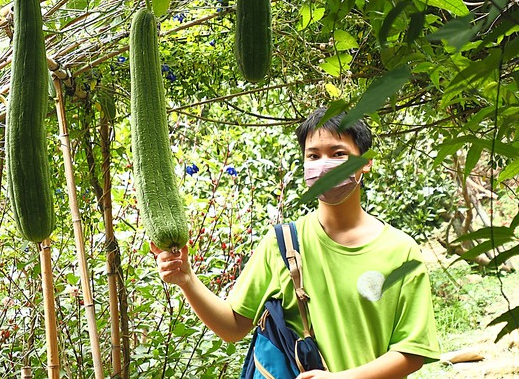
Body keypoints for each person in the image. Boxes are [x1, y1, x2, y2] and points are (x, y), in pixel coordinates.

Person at [151, 107, 440, 379]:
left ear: (365, 163)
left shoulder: (401, 251)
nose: (324, 165)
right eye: (313, 156)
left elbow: (412, 352)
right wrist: (186, 278)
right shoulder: (281, 243)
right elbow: (232, 326)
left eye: (338, 153)